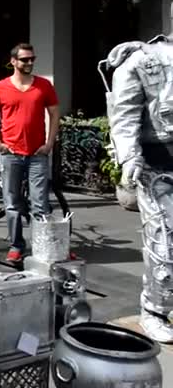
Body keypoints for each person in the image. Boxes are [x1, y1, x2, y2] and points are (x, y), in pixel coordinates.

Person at [103, 26, 173, 342]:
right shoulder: (140, 61)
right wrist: (129, 158)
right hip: (157, 166)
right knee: (164, 245)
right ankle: (154, 310)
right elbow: (125, 114)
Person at [0, 43, 60, 262]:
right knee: (12, 202)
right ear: (13, 62)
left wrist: (49, 144)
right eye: (24, 59)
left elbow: (55, 114)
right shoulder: (0, 87)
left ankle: (43, 246)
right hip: (10, 152)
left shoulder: (43, 85)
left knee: (40, 203)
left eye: (32, 59)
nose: (29, 63)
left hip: (37, 153)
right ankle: (16, 245)